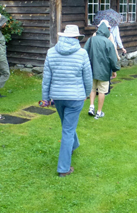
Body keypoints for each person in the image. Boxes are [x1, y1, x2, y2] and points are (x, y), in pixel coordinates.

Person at [42, 25, 92, 177]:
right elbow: (88, 77)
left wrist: (45, 98)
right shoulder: (82, 53)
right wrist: (87, 93)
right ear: (76, 38)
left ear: (63, 36)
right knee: (68, 130)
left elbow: (46, 79)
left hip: (58, 97)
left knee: (67, 126)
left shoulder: (51, 52)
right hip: (75, 97)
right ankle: (63, 168)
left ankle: (73, 145)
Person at [84, 22, 120, 119]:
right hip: (104, 71)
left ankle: (91, 107)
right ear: (106, 31)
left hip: (91, 70)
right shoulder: (108, 42)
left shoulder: (91, 40)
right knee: (102, 91)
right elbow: (113, 59)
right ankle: (99, 112)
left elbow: (84, 53)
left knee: (92, 89)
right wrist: (114, 70)